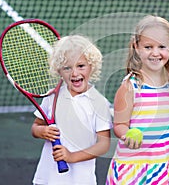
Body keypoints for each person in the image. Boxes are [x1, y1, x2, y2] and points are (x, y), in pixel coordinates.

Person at [106, 15, 169, 184]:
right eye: (148, 47)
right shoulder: (130, 86)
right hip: (130, 169)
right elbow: (119, 125)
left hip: (161, 170)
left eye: (162, 47)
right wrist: (127, 134)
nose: (155, 53)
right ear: (136, 47)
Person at [31, 35, 112, 185]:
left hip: (81, 180)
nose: (74, 73)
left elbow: (103, 145)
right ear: (59, 71)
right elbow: (36, 127)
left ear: (91, 66)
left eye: (81, 66)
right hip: (48, 178)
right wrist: (42, 131)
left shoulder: (99, 103)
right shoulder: (52, 97)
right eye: (67, 68)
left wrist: (71, 157)